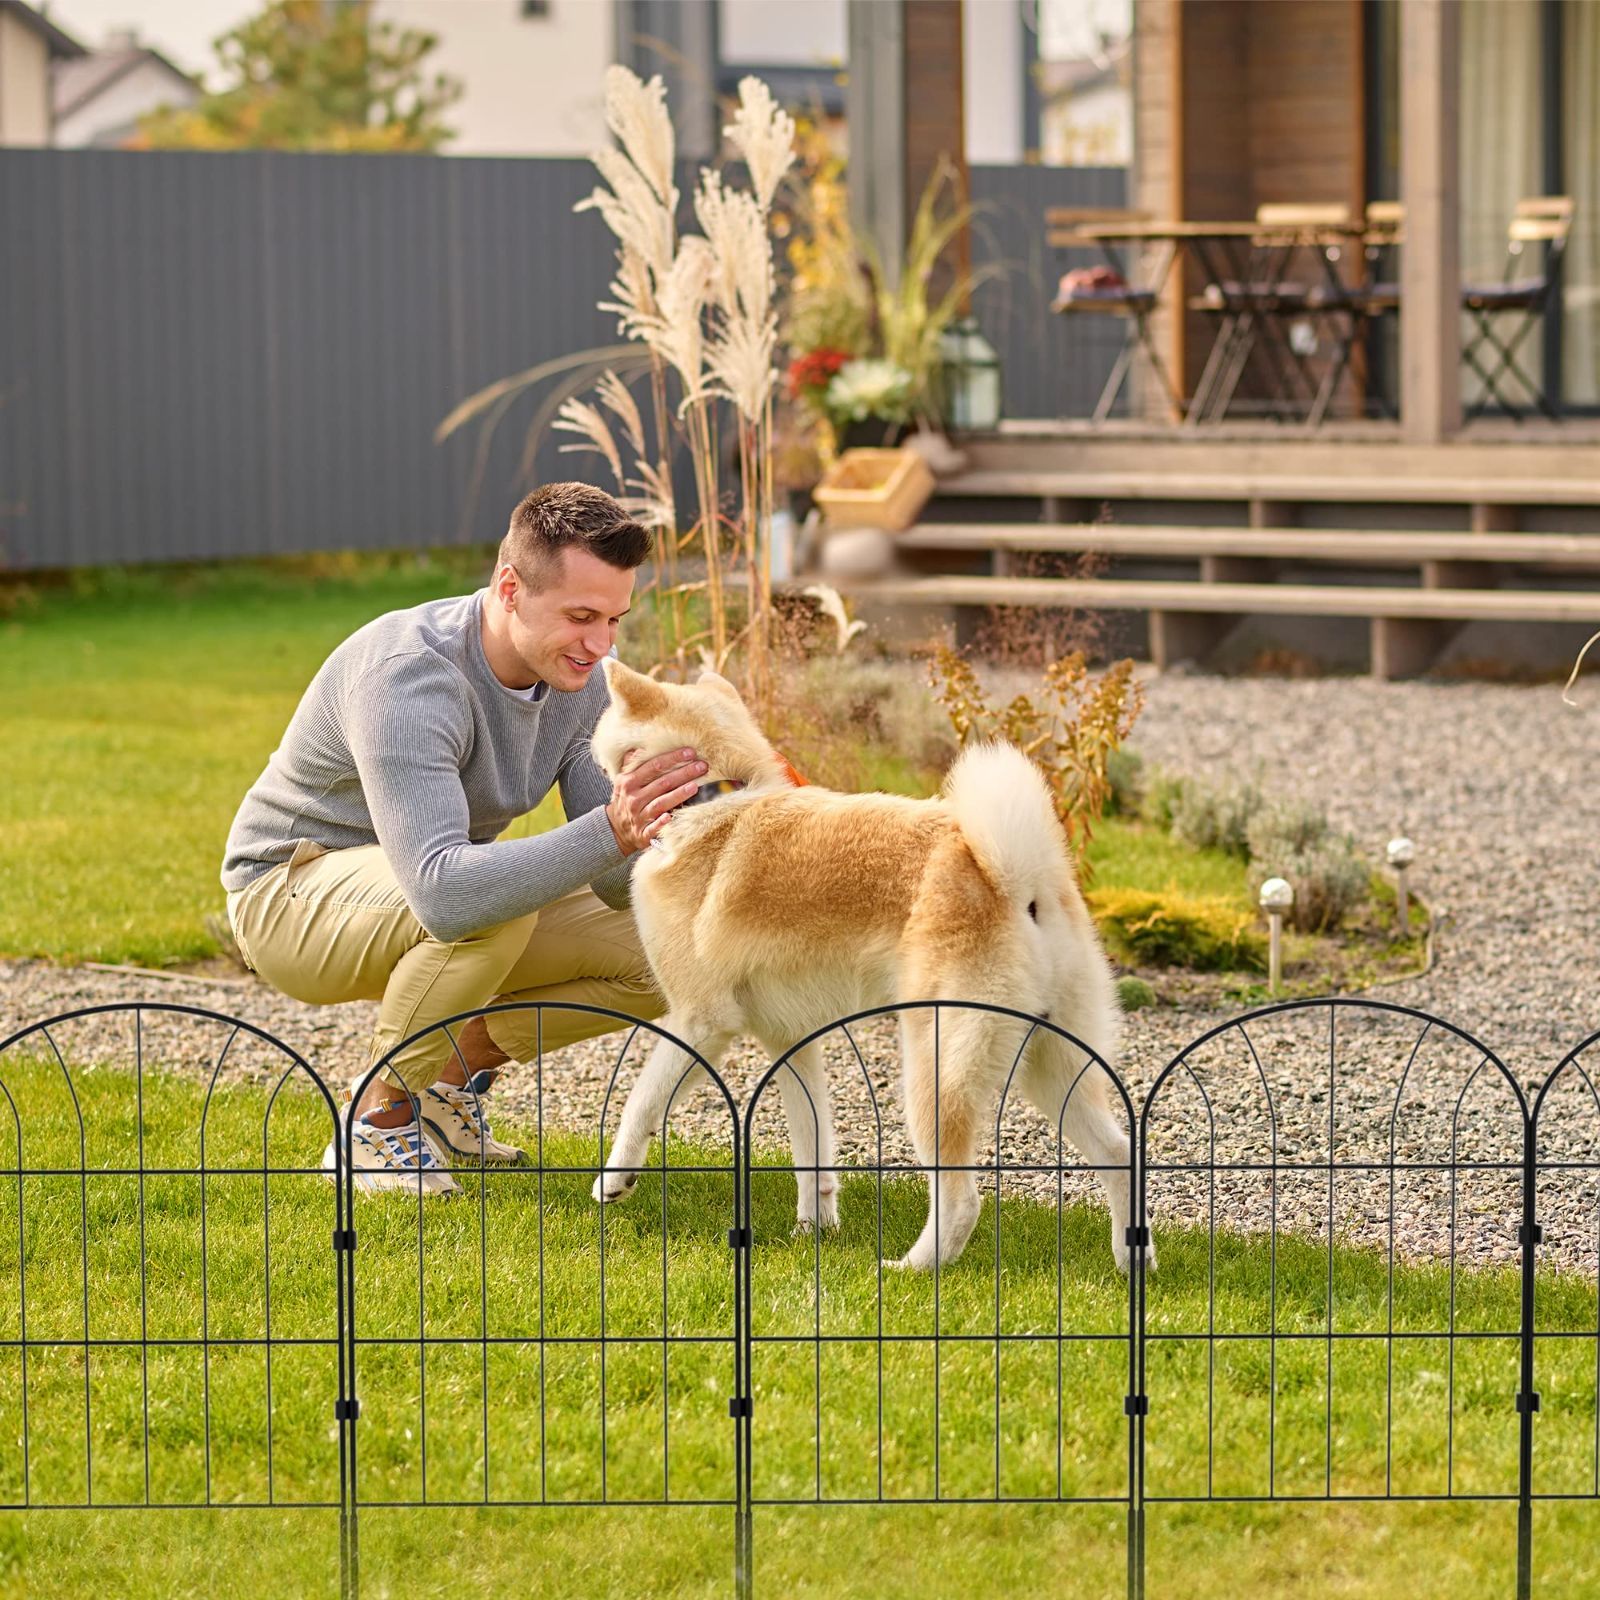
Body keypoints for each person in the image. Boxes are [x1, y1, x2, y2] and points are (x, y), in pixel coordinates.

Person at [220, 483, 708, 1194]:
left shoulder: (582, 685)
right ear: (510, 588)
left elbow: (612, 882)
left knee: (675, 945)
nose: (602, 645)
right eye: (580, 617)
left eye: (614, 619)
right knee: (487, 905)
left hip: (427, 890)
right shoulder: (410, 675)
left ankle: (444, 1089)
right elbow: (448, 896)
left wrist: (681, 818)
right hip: (290, 893)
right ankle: (375, 1121)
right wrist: (611, 827)